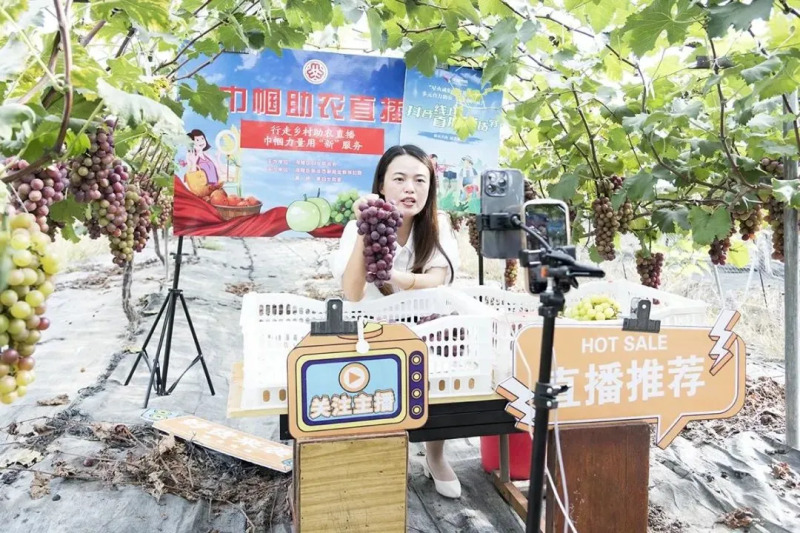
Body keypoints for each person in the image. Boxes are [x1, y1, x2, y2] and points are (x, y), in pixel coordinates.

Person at [331, 144, 462, 498]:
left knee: (440, 378)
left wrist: (395, 276)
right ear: (381, 185)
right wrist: (365, 228)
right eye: (400, 179)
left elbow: (438, 278)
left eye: (420, 180)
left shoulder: (437, 225)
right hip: (374, 332)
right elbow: (353, 293)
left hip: (426, 330)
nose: (410, 189)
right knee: (372, 390)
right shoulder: (357, 228)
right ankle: (382, 458)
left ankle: (435, 456)